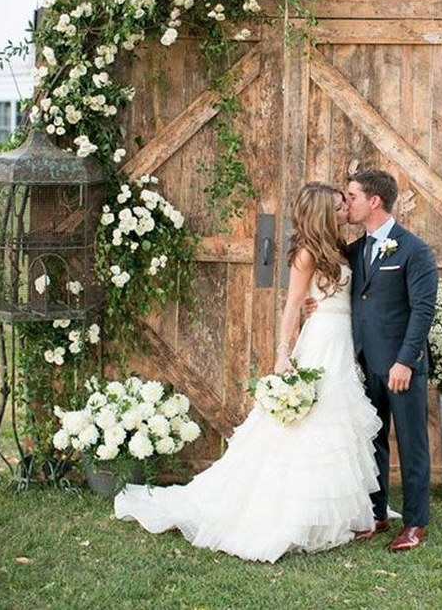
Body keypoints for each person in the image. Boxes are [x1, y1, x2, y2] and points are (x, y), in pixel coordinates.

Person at [114, 182, 382, 563]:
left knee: (336, 426)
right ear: (324, 212)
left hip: (341, 340)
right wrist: (282, 354)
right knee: (309, 426)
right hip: (320, 341)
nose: (345, 211)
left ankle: (336, 514)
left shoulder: (340, 249)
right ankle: (295, 514)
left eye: (345, 205)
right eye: (339, 207)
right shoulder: (306, 254)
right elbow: (292, 306)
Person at [310, 169, 437, 552]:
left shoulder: (414, 250)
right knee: (372, 441)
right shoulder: (355, 249)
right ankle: (377, 514)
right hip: (363, 362)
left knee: (412, 443)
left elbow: (423, 310)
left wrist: (406, 361)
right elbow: (350, 293)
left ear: (374, 201)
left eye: (351, 196)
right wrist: (320, 302)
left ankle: (416, 523)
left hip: (401, 365)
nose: (346, 204)